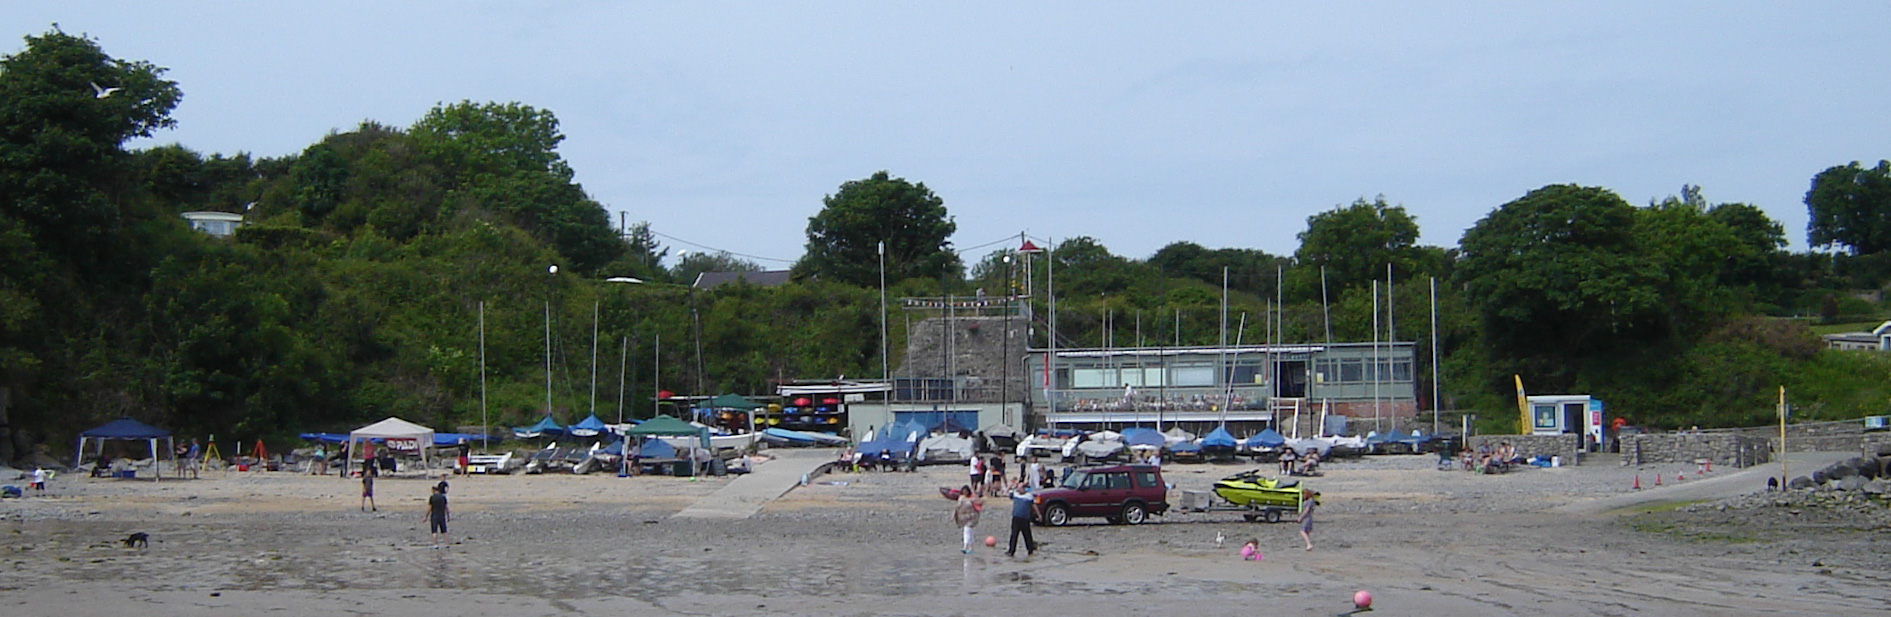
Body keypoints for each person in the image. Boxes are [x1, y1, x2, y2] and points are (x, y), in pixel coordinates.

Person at [1005, 480, 1039, 558]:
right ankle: (1011, 551)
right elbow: (1006, 493)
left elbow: (1034, 505)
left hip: (1025, 519)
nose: (1019, 489)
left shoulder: (1029, 496)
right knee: (1014, 535)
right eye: (1018, 488)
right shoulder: (1015, 494)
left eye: (1020, 488)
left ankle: (1030, 549)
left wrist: (1038, 514)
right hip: (1016, 518)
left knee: (1027, 535)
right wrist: (1011, 485)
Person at [952, 484, 983, 554]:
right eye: (964, 491)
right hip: (964, 517)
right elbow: (957, 507)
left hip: (973, 516)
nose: (965, 493)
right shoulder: (961, 498)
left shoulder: (973, 497)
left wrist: (973, 500)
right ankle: (971, 547)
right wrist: (953, 515)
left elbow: (981, 502)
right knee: (969, 531)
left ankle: (965, 546)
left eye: (966, 491)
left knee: (967, 529)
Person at [425, 481, 450, 548]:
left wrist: (426, 516)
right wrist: (448, 516)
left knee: (434, 531)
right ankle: (447, 544)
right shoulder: (443, 497)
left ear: (433, 490)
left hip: (434, 516)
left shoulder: (432, 497)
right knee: (444, 530)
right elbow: (446, 508)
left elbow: (429, 508)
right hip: (442, 516)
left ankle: (435, 544)